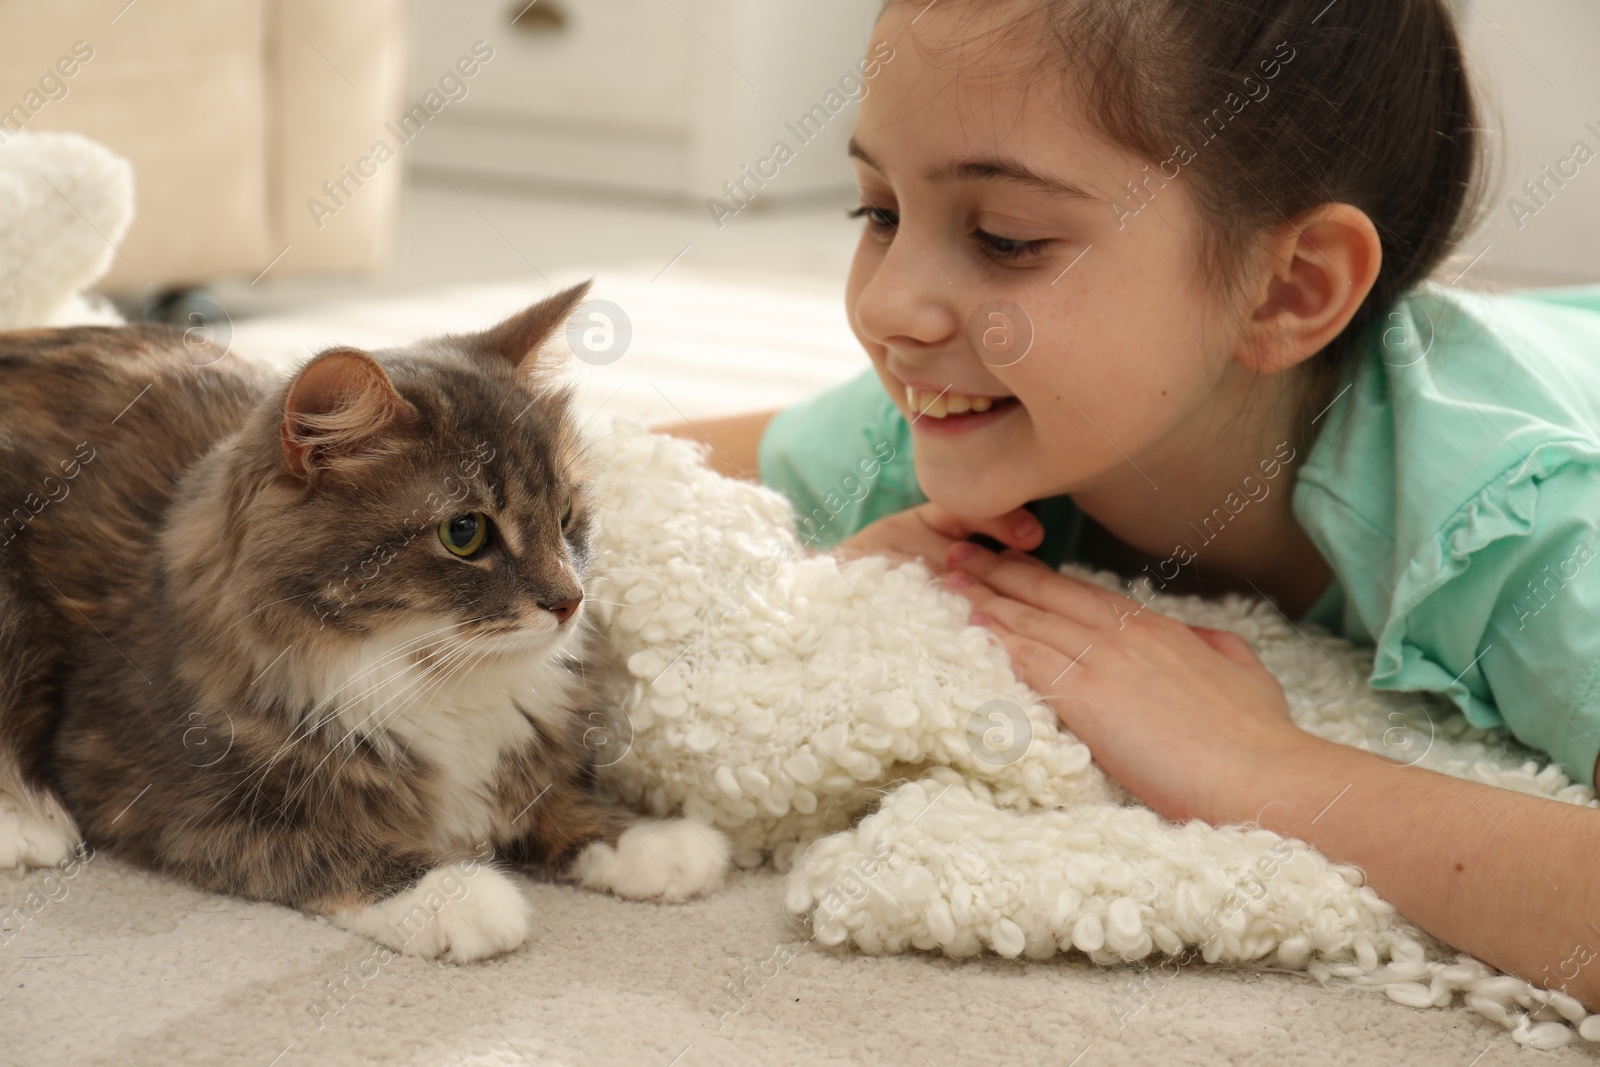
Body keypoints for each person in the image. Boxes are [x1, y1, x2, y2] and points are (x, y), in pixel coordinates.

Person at [661, 0, 1600, 1009]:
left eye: (1006, 237)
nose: (888, 307)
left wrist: (1270, 773)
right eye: (877, 212)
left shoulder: (1524, 523)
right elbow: (596, 476)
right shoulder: (974, 410)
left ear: (1287, 290)